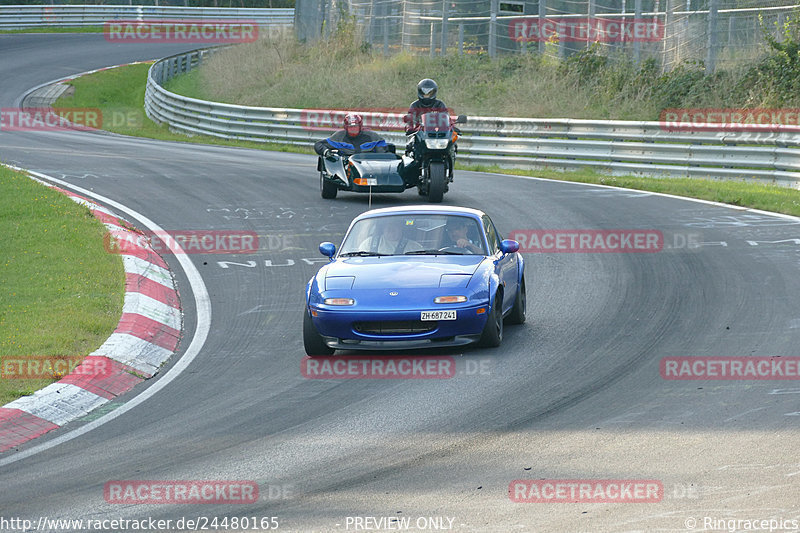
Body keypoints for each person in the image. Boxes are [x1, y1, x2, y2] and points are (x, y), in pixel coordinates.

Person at [314, 113, 392, 160]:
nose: (353, 129)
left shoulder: (373, 137)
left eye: (355, 127)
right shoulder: (338, 137)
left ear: (360, 126)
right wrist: (326, 152)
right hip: (346, 168)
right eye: (350, 127)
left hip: (369, 166)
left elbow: (383, 154)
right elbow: (318, 144)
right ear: (346, 127)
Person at [358, 218, 423, 255]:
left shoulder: (414, 247)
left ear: (401, 228)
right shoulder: (369, 243)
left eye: (395, 225)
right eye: (388, 225)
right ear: (383, 228)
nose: (391, 228)